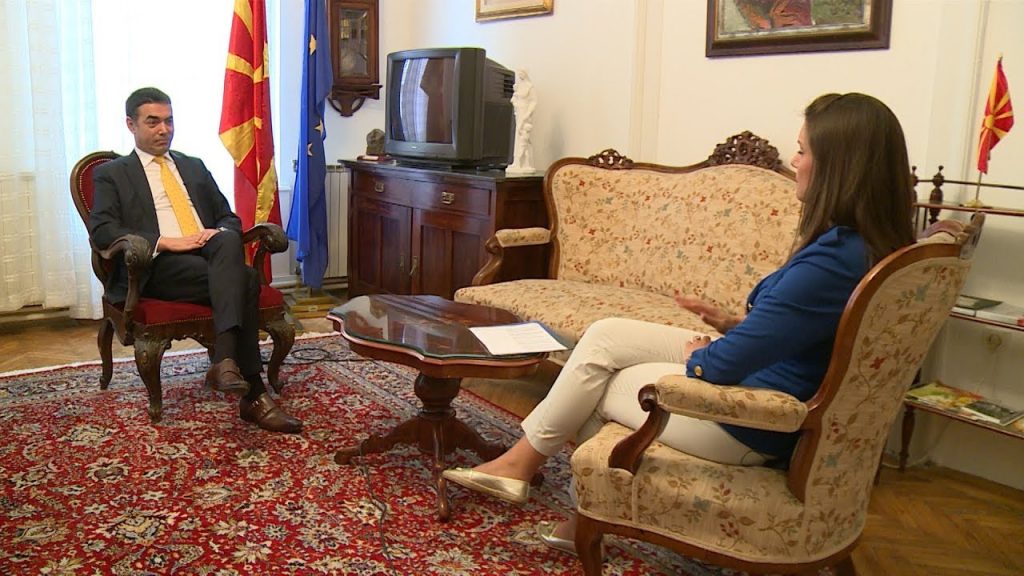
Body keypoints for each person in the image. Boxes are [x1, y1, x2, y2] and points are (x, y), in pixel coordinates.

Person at [443, 92, 915, 552]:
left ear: (839, 166)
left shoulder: (830, 264)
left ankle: (587, 515)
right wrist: (730, 323)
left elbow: (724, 366)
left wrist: (703, 358)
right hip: (762, 378)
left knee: (597, 383)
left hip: (750, 419)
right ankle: (521, 466)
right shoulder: (861, 248)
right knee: (605, 335)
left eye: (803, 150)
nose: (795, 161)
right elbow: (799, 331)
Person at [88, 87, 302, 434]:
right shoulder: (113, 173)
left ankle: (226, 364)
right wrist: (168, 242)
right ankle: (252, 392)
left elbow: (227, 216)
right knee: (247, 280)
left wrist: (214, 233)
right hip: (157, 265)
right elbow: (103, 230)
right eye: (153, 122)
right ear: (131, 125)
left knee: (227, 238)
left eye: (169, 121)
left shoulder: (193, 165)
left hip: (209, 256)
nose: (164, 130)